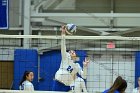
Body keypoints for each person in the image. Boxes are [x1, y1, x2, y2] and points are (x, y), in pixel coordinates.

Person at [52, 25, 90, 92]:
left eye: (73, 52)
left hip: (67, 86)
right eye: (70, 51)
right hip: (58, 83)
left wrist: (85, 66)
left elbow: (84, 76)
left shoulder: (77, 66)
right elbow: (63, 45)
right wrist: (63, 34)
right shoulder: (65, 57)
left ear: (75, 55)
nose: (71, 52)